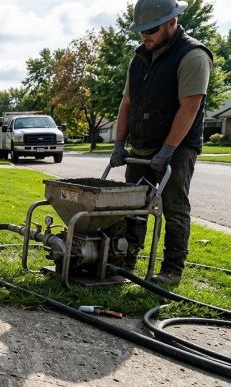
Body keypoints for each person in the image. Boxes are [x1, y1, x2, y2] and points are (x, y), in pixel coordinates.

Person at [109, 0, 213, 285]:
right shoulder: (139, 57)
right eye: (141, 30)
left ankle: (171, 269)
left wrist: (168, 150)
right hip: (142, 142)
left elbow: (189, 107)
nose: (145, 36)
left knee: (174, 206)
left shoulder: (192, 55)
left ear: (171, 22)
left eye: (151, 29)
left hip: (178, 146)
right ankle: (126, 259)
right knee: (132, 204)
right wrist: (119, 144)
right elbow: (127, 102)